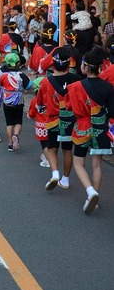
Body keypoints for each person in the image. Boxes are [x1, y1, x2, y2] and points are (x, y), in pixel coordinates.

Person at [65, 48, 114, 213]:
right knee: (97, 164)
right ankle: (95, 197)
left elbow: (68, 107)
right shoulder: (108, 87)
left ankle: (90, 191)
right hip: (100, 126)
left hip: (82, 126)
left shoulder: (75, 86)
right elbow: (112, 111)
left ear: (85, 67)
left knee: (78, 163)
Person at [36, 47, 82, 191]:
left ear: (53, 64)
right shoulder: (78, 80)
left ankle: (55, 173)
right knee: (67, 150)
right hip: (70, 120)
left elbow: (40, 103)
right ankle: (66, 179)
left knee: (52, 148)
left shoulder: (46, 81)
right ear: (69, 64)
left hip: (53, 119)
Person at [0, 52, 33, 151]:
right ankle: (16, 135)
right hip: (18, 99)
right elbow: (29, 86)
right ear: (18, 63)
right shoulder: (21, 75)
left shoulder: (3, 75)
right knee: (18, 121)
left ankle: (10, 143)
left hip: (7, 99)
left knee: (9, 122)